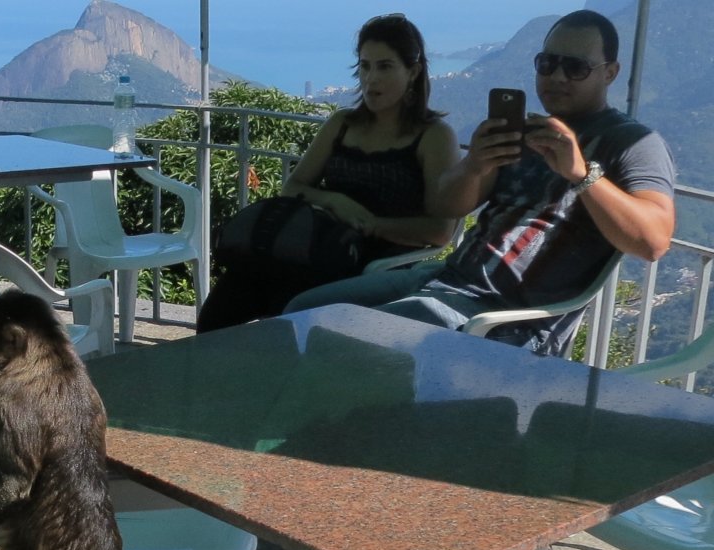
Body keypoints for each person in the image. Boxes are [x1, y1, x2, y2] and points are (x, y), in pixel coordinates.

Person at [286, 10, 676, 357]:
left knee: (344, 339)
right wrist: (475, 164)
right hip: (447, 279)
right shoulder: (524, 130)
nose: (556, 76)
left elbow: (653, 241)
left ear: (610, 72)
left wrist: (582, 174)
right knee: (301, 311)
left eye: (575, 68)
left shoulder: (630, 143)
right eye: (547, 63)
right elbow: (446, 208)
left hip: (508, 317)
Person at [196, 14, 458, 333]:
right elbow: (293, 187)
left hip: (374, 265)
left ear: (413, 72)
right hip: (319, 246)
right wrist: (335, 201)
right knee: (224, 305)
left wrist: (375, 226)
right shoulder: (342, 124)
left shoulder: (433, 136)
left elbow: (441, 230)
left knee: (286, 313)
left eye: (385, 66)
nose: (371, 78)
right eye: (365, 66)